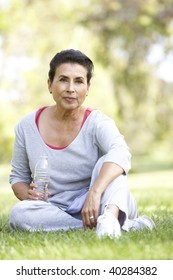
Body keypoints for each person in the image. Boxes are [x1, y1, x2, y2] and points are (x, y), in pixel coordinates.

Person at [9, 49, 155, 238]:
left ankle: (110, 218)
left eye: (78, 81)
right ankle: (113, 226)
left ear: (87, 89)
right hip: (54, 209)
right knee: (19, 214)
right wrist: (29, 195)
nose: (71, 88)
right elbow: (18, 177)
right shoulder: (26, 126)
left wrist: (94, 193)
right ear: (50, 85)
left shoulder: (97, 122)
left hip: (104, 201)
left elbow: (121, 153)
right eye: (63, 79)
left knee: (111, 163)